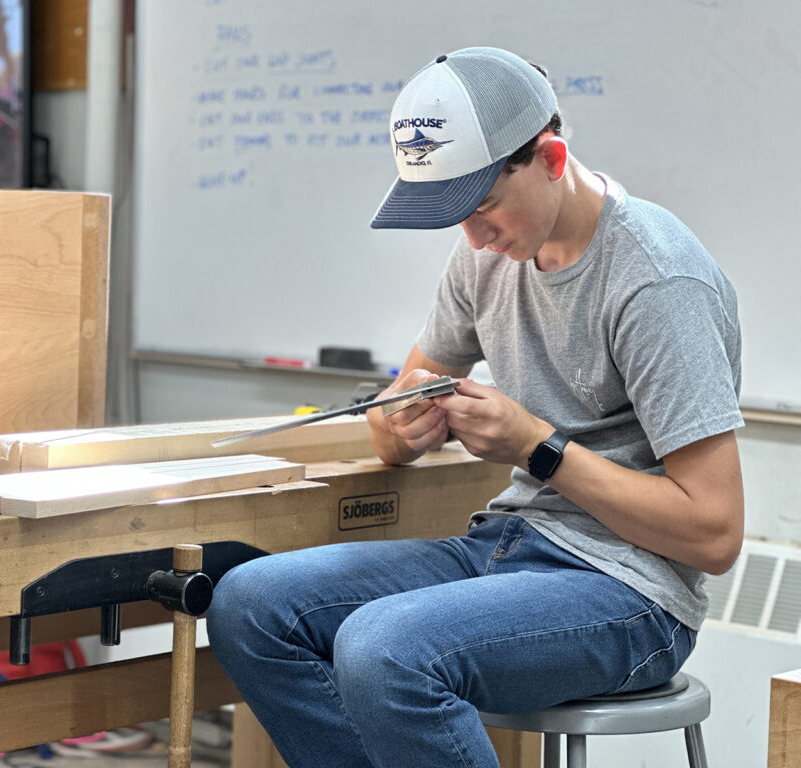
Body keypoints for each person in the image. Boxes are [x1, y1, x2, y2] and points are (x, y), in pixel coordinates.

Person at [206, 46, 744, 768]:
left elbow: (714, 534)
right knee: (248, 604)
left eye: (483, 205)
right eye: (454, 214)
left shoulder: (656, 280)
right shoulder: (486, 256)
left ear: (551, 159)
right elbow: (396, 413)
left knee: (383, 650)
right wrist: (401, 427)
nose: (472, 238)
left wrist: (537, 446)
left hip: (631, 593)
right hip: (508, 546)